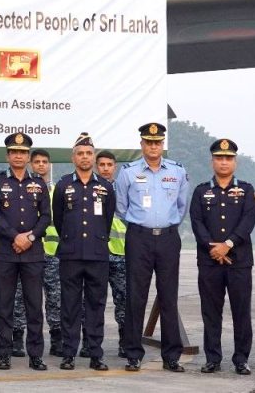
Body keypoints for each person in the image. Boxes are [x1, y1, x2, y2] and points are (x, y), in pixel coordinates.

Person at [115, 122, 190, 372]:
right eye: (149, 142)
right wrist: (141, 225)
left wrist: (165, 226)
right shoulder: (128, 172)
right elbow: (122, 207)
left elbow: (181, 207)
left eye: (157, 142)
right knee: (135, 297)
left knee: (169, 297)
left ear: (162, 145)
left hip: (168, 238)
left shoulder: (177, 172)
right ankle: (133, 353)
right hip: (139, 238)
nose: (153, 146)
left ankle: (172, 356)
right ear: (142, 144)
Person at [189, 139, 255, 376]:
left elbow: (248, 221)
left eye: (228, 158)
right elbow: (196, 222)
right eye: (219, 158)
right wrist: (213, 248)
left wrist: (227, 245)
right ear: (212, 161)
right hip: (209, 261)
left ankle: (241, 359)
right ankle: (213, 358)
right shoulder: (201, 191)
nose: (224, 162)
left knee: (241, 311)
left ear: (235, 162)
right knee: (210, 311)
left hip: (239, 261)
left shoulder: (247, 190)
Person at [0, 133, 50, 371]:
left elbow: (46, 217)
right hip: (5, 251)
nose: (18, 155)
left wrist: (30, 237)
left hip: (33, 252)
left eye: (23, 152)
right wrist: (15, 236)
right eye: (14, 152)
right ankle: (5, 354)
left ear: (28, 156)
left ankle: (36, 355)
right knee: (4, 305)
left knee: (34, 305)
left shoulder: (39, 182)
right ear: (7, 155)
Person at [53, 133, 115, 372]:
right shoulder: (63, 185)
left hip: (97, 254)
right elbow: (59, 219)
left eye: (89, 153)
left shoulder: (106, 186)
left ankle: (95, 354)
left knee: (96, 306)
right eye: (80, 153)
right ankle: (68, 354)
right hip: (71, 253)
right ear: (73, 158)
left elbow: (107, 220)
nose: (85, 157)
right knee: (69, 306)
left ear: (94, 156)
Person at [95, 150, 128, 358]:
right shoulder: (90, 188)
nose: (106, 168)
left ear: (114, 166)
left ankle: (125, 342)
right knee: (93, 301)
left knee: (123, 301)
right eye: (102, 165)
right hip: (97, 254)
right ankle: (91, 343)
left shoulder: (124, 189)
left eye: (109, 164)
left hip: (122, 254)